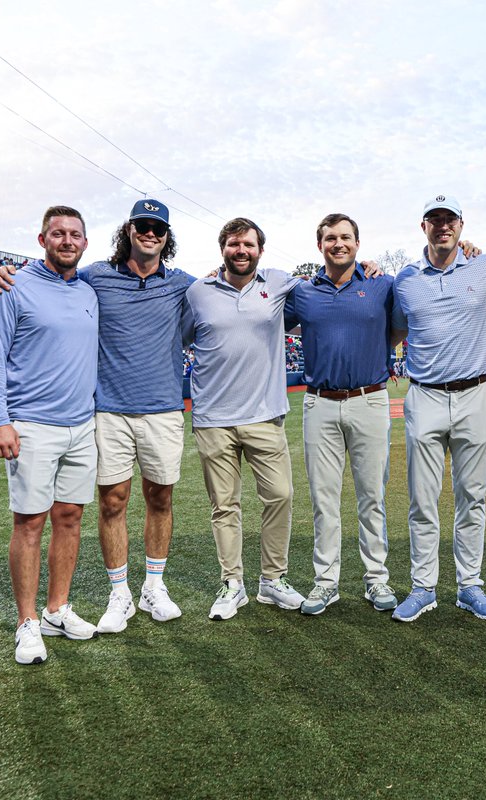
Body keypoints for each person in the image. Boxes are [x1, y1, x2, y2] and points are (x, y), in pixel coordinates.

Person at [0, 199, 197, 633]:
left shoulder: (181, 285)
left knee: (157, 499)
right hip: (106, 413)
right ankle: (118, 594)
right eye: (142, 225)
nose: (150, 233)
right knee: (111, 502)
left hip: (159, 411)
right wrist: (1, 273)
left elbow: (225, 286)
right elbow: (49, 275)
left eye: (158, 227)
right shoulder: (95, 277)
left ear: (167, 235)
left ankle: (152, 587)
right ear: (129, 230)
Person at [0, 205, 100, 666]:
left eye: (75, 234)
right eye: (58, 233)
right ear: (41, 238)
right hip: (30, 424)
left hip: (82, 423)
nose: (67, 240)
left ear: (85, 243)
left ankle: (57, 609)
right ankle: (27, 622)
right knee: (30, 522)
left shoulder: (90, 290)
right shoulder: (12, 286)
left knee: (70, 517)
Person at [185, 218, 305, 619]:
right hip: (213, 418)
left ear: (260, 249)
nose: (241, 250)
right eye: (234, 244)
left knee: (281, 495)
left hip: (264, 414)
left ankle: (272, 581)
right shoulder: (198, 292)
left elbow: (326, 286)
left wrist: (369, 266)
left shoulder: (279, 282)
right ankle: (232, 583)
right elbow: (180, 336)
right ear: (223, 248)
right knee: (225, 506)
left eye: (248, 244)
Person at [390, 195, 486, 623]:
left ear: (460, 224)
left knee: (472, 497)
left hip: (475, 392)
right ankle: (424, 587)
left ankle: (469, 585)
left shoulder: (484, 265)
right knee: (422, 499)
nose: (442, 226)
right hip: (426, 395)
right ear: (423, 227)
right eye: (434, 220)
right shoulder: (405, 279)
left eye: (449, 219)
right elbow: (397, 328)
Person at [284, 213, 398, 615]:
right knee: (324, 500)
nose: (338, 244)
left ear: (357, 243)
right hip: (320, 402)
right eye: (330, 238)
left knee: (372, 497)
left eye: (346, 237)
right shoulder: (302, 293)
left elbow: (400, 325)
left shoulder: (382, 284)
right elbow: (257, 301)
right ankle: (325, 583)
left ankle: (376, 580)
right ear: (320, 245)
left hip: (369, 398)